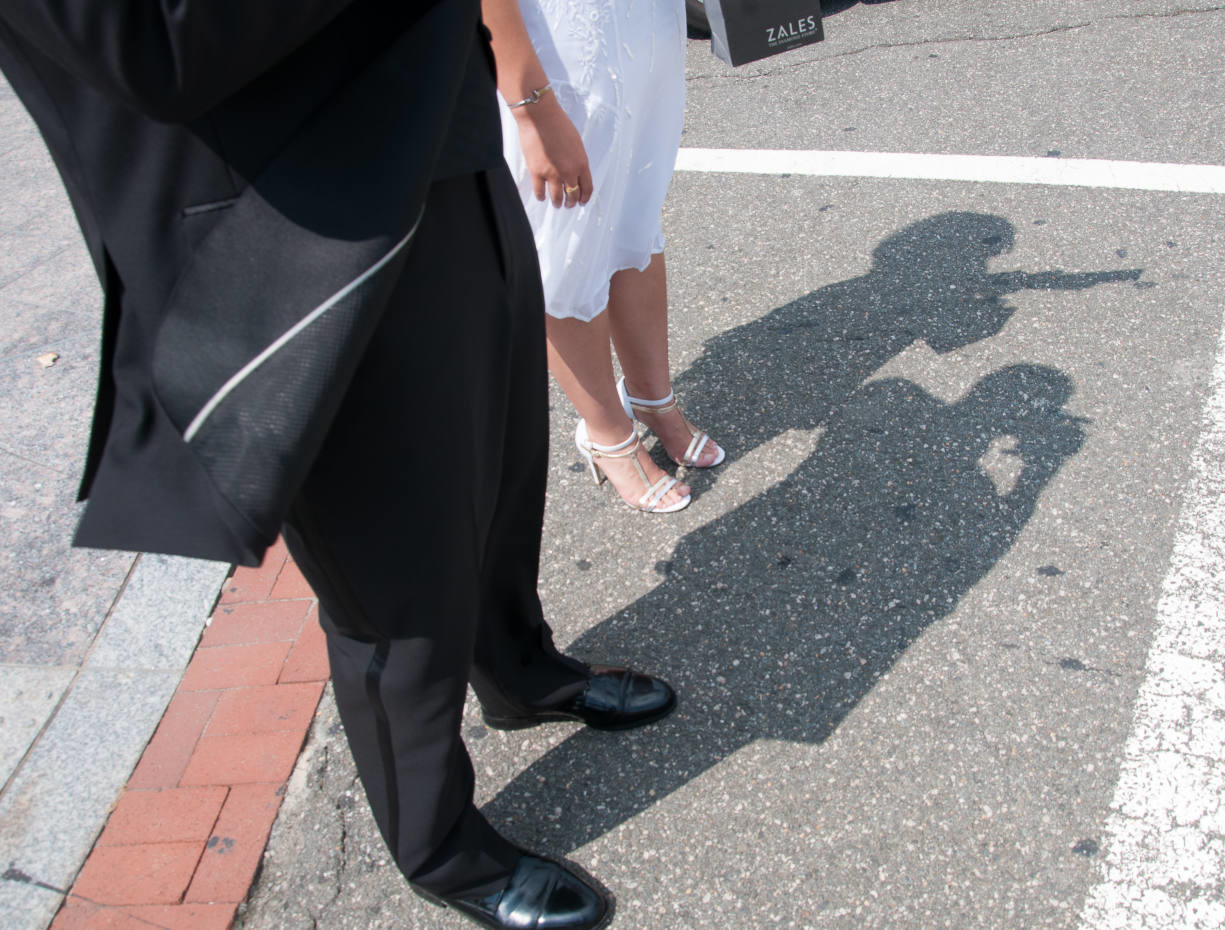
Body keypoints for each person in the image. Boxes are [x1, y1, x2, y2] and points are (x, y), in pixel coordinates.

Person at [0, 3, 673, 928]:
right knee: (391, 577)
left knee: (502, 469)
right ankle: (438, 844)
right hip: (289, 226)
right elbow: (148, 48)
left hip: (440, 137)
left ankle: (518, 670)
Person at [482, 0, 723, 514]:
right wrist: (531, 107)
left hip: (646, 24)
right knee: (568, 241)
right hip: (561, 42)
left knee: (635, 218)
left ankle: (651, 397)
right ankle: (607, 432)